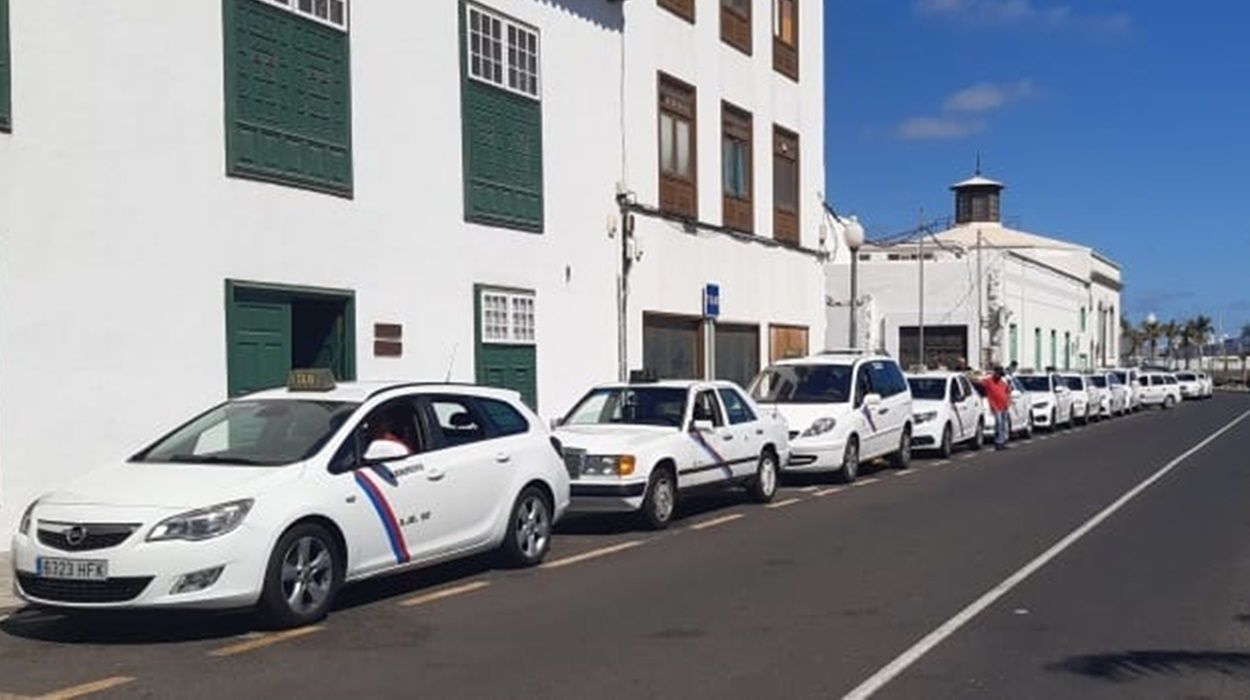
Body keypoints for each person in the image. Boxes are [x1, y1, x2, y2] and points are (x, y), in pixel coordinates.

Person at [981, 366, 1012, 450]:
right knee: (999, 424)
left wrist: (1008, 401)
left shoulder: (1003, 383)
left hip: (1004, 406)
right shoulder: (988, 381)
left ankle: (1003, 441)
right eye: (997, 373)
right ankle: (998, 442)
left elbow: (1008, 392)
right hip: (996, 406)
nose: (998, 376)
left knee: (1004, 425)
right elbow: (979, 382)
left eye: (1000, 374)